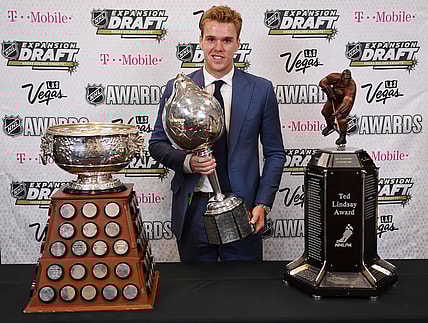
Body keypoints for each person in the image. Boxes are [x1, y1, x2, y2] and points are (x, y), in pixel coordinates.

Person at [149, 6, 285, 262]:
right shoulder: (176, 89)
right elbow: (157, 144)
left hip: (244, 209)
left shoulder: (261, 90)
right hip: (193, 210)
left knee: (244, 294)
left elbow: (275, 154)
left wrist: (262, 203)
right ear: (201, 41)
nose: (218, 47)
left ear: (237, 44)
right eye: (211, 39)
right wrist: (188, 163)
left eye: (226, 40)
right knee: (196, 294)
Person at [319, 69, 356, 145]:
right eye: (345, 78)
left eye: (348, 79)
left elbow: (347, 101)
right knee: (325, 112)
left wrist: (339, 110)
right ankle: (330, 126)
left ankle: (343, 137)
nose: (346, 81)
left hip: (344, 102)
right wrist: (327, 88)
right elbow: (322, 82)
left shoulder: (351, 86)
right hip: (333, 97)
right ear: (341, 77)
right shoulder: (334, 76)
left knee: (341, 116)